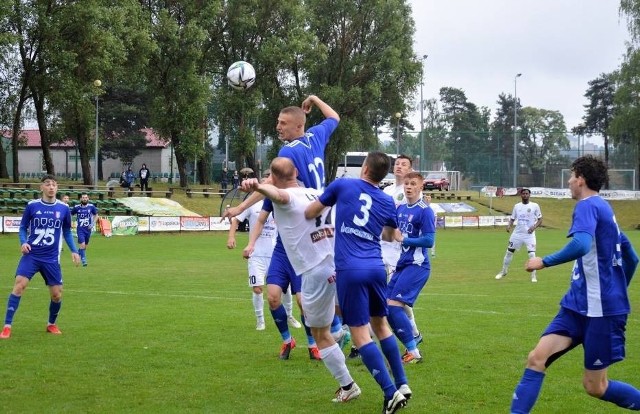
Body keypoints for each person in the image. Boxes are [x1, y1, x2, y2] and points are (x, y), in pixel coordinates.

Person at [510, 155, 640, 413]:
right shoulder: (605, 210)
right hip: (576, 306)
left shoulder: (586, 206)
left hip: (601, 312)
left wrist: (543, 262)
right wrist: (616, 289)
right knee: (537, 358)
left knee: (595, 386)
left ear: (580, 179)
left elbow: (580, 245)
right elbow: (632, 258)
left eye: (571, 176)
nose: (569, 181)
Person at [223, 95, 344, 361]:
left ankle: (337, 329)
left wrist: (241, 207)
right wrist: (314, 98)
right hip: (322, 215)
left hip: (305, 217)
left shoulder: (288, 152)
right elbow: (334, 117)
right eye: (278, 122)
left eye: (283, 123)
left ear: (298, 126)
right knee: (314, 283)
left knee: (310, 291)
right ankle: (331, 329)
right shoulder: (316, 135)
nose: (278, 127)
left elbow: (271, 184)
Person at [243, 157, 361, 404]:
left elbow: (279, 195)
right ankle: (356, 335)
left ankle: (348, 385)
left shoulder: (286, 197)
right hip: (337, 263)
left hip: (314, 269)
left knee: (320, 332)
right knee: (346, 316)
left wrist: (258, 186)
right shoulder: (316, 192)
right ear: (296, 172)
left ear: (273, 178)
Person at [306, 151, 411, 414]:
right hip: (376, 267)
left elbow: (310, 212)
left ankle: (390, 394)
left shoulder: (343, 184)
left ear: (364, 168)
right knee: (382, 326)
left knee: (361, 334)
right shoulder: (387, 201)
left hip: (350, 270)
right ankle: (402, 384)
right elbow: (388, 236)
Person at [0, 175, 80, 339]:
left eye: (54, 185)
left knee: (57, 295)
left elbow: (66, 231)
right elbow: (22, 227)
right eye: (48, 184)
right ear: (41, 188)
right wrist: (23, 242)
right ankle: (7, 327)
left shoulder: (64, 209)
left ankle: (51, 324)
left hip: (51, 258)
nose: (51, 187)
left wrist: (74, 250)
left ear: (57, 188)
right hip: (32, 255)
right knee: (19, 285)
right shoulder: (32, 206)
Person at [226, 170, 302, 331]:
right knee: (258, 288)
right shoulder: (252, 204)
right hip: (257, 254)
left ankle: (289, 316)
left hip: (277, 253)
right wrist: (231, 237)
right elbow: (236, 219)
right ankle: (260, 320)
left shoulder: (280, 201)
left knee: (285, 289)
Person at [386, 172, 436, 364]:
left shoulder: (425, 210)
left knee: (394, 307)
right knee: (386, 307)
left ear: (420, 187)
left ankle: (413, 351)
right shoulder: (401, 209)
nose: (408, 187)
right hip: (403, 263)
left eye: (413, 184)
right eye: (406, 183)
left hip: (417, 266)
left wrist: (404, 239)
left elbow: (429, 241)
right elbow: (393, 234)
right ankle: (412, 343)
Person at [495, 188, 543, 282]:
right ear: (521, 195)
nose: (525, 195)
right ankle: (504, 271)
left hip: (529, 235)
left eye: (527, 193)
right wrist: (509, 225)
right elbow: (513, 218)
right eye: (523, 193)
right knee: (509, 252)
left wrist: (534, 227)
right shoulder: (517, 206)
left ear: (529, 195)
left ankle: (533, 276)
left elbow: (540, 219)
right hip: (517, 234)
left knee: (532, 254)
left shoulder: (535, 206)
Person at [70, 193, 98, 267]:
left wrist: (92, 223)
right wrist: (69, 222)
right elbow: (70, 214)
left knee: (84, 246)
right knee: (82, 244)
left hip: (88, 229)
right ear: (80, 199)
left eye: (86, 197)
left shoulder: (91, 207)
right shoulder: (77, 207)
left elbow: (96, 215)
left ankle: (78, 253)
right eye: (83, 197)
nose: (84, 199)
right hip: (80, 229)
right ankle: (83, 259)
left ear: (88, 199)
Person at [424, 194, 436, 258]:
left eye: (429, 198)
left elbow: (434, 218)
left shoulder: (432, 208)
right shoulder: (422, 207)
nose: (427, 199)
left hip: (431, 228)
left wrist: (433, 226)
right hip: (423, 228)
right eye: (426, 198)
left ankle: (433, 253)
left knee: (432, 241)